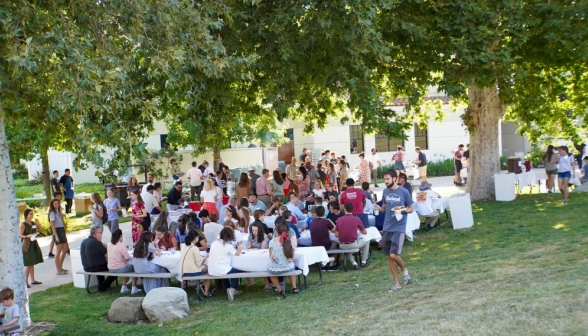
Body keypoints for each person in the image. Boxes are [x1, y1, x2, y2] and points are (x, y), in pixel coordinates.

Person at [373, 170, 414, 292]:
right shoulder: (385, 192)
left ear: (394, 179)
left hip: (399, 226)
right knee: (389, 257)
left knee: (393, 254)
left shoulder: (404, 191)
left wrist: (404, 210)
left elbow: (411, 208)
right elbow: (384, 208)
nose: (385, 181)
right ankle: (396, 284)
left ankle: (404, 269)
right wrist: (378, 207)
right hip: (387, 227)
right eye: (384, 179)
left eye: (387, 179)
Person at [208, 227, 244, 302]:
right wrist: (240, 246)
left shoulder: (214, 243)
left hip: (212, 270)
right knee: (236, 271)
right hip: (221, 269)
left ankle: (227, 288)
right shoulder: (228, 246)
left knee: (225, 271)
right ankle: (233, 289)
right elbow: (237, 253)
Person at [267, 221, 300, 297]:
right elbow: (292, 256)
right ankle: (294, 287)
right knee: (291, 266)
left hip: (274, 268)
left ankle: (280, 289)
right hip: (287, 267)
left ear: (277, 232)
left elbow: (270, 256)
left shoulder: (272, 242)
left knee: (271, 274)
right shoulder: (291, 241)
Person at [80, 227, 117, 291]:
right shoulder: (96, 242)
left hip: (86, 267)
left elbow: (101, 246)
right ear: (95, 234)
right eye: (100, 233)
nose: (101, 234)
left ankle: (101, 284)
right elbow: (108, 254)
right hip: (96, 267)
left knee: (99, 263)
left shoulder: (84, 241)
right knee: (116, 269)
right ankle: (103, 286)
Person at [335, 202, 369, 269]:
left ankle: (354, 263)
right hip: (353, 244)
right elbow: (365, 232)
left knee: (347, 248)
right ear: (353, 209)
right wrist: (359, 229)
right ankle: (363, 261)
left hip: (342, 245)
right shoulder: (356, 219)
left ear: (344, 209)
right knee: (367, 242)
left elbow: (336, 234)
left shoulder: (339, 220)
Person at [107, 229, 140, 294]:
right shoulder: (121, 245)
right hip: (119, 269)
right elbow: (127, 258)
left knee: (127, 266)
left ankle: (124, 287)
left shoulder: (109, 244)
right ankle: (133, 287)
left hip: (110, 268)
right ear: (120, 236)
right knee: (135, 267)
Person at [181, 231, 211, 297]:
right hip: (194, 272)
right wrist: (206, 256)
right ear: (195, 238)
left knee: (204, 267)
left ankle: (202, 286)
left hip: (184, 271)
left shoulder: (183, 246)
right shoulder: (195, 248)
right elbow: (199, 263)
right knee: (208, 269)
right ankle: (206, 292)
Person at [20, 209, 43, 288]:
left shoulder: (33, 223)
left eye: (32, 213)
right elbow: (20, 235)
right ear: (26, 215)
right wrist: (27, 236)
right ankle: (25, 282)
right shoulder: (23, 224)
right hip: (27, 245)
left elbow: (41, 230)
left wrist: (38, 224)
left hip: (33, 243)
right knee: (28, 263)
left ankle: (32, 280)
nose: (32, 215)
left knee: (32, 263)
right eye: (30, 214)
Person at [48, 198, 69, 275]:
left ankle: (60, 267)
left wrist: (62, 218)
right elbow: (52, 225)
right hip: (57, 231)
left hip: (62, 230)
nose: (57, 205)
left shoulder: (58, 212)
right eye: (55, 204)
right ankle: (58, 270)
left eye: (57, 203)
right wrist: (56, 236)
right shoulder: (52, 213)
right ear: (52, 205)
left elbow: (63, 224)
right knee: (58, 251)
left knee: (65, 250)